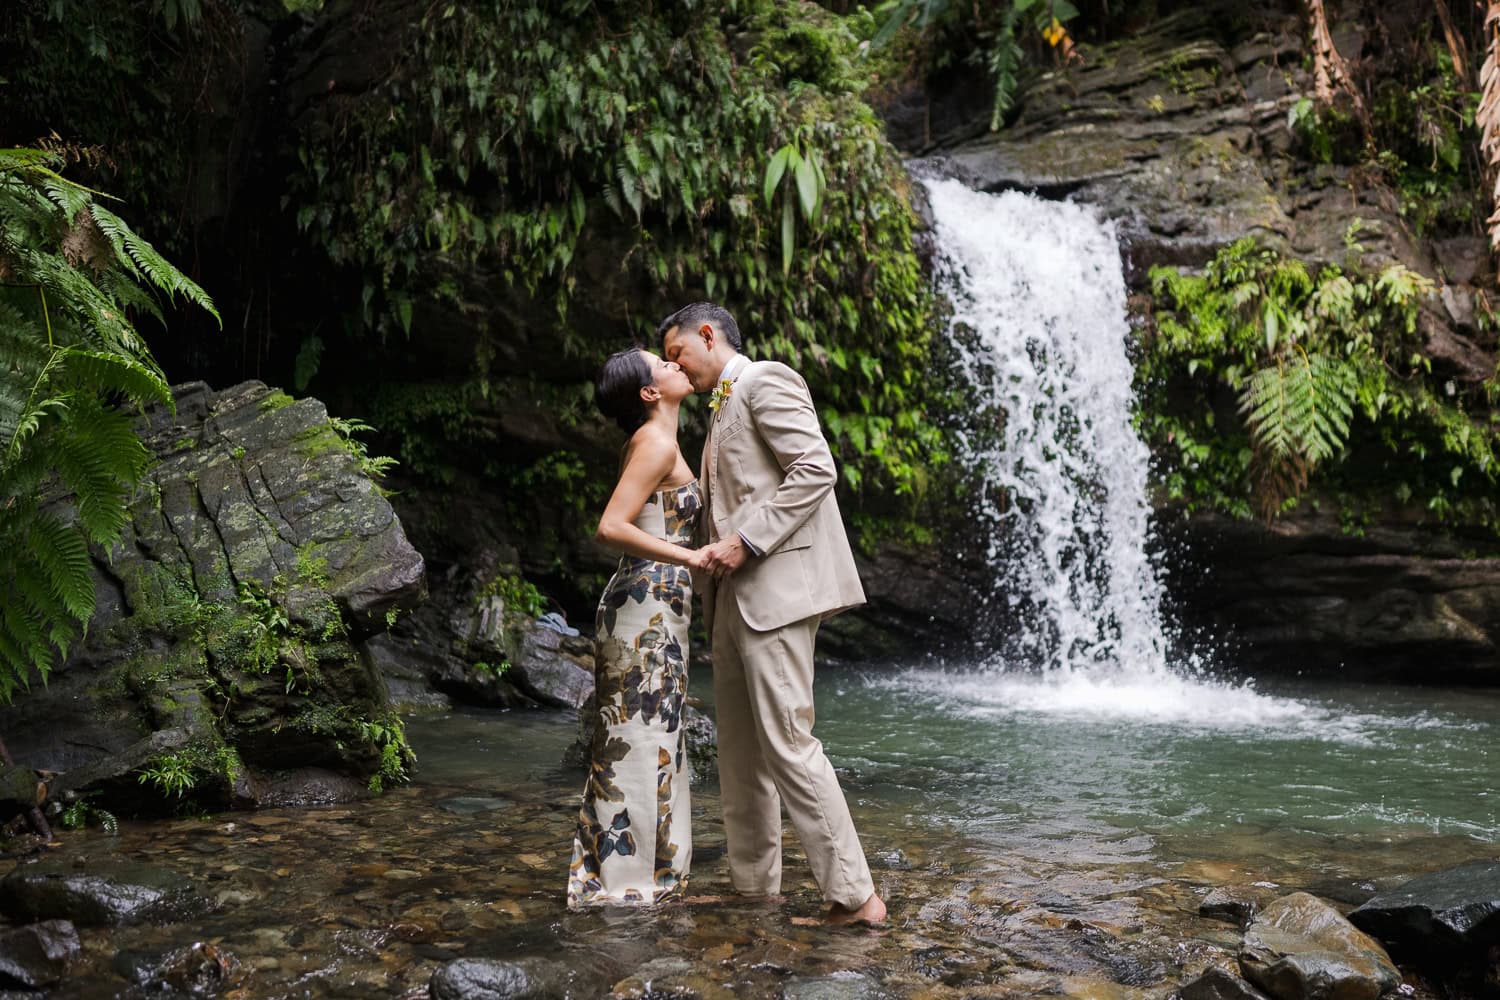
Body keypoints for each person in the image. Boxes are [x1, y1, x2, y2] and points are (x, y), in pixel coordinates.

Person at [658, 301, 887, 924]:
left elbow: (816, 469)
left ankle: (856, 897)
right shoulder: (719, 408)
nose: (677, 368)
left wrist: (744, 540)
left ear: (708, 336)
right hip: (733, 598)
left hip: (775, 591)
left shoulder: (765, 380)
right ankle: (755, 888)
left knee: (788, 742)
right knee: (741, 749)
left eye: (678, 353)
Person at [567, 347, 705, 908]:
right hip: (643, 608)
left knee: (653, 740)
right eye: (664, 365)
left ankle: (650, 878)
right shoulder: (654, 442)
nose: (677, 366)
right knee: (640, 740)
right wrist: (689, 559)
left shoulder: (656, 440)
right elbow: (610, 526)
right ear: (650, 393)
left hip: (655, 606)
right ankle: (627, 886)